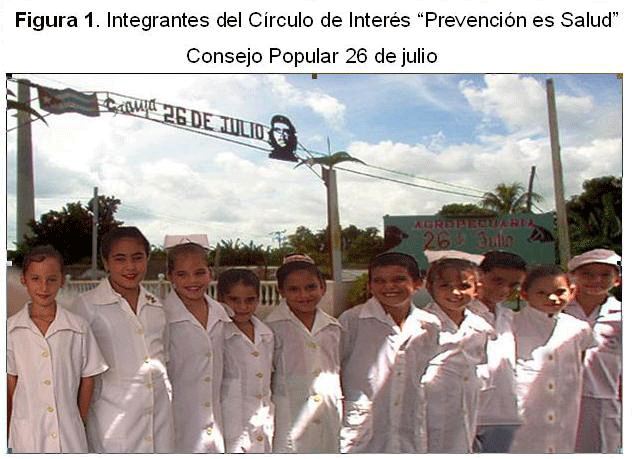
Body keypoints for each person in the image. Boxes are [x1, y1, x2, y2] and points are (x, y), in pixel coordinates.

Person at [70, 227, 174, 452]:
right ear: (106, 262)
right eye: (120, 259)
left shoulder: (156, 306)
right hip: (112, 425)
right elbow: (74, 371)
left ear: (147, 259)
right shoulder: (86, 307)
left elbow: (163, 360)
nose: (130, 267)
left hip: (159, 422)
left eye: (137, 258)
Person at [7, 246, 108, 453]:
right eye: (36, 279)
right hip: (27, 436)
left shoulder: (78, 328)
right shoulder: (10, 330)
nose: (44, 287)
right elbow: (11, 383)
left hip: (69, 436)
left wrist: (77, 421)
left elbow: (88, 378)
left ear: (62, 280)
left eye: (51, 279)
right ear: (24, 280)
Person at [339, 252, 440, 452]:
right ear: (370, 286)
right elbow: (335, 368)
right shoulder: (352, 321)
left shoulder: (429, 324)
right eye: (379, 281)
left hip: (409, 424)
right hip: (361, 427)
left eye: (399, 279)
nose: (389, 286)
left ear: (417, 283)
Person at [509, 265, 594, 453]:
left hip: (563, 404)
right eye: (542, 293)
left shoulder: (578, 328)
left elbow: (579, 363)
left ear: (572, 292)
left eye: (560, 291)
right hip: (524, 404)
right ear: (524, 294)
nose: (553, 298)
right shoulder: (512, 323)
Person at [163, 235, 232, 452]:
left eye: (199, 273)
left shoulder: (222, 314)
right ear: (170, 276)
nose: (192, 281)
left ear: (210, 273)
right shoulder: (162, 316)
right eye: (182, 274)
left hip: (216, 422)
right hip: (177, 423)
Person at [265, 259, 342, 453]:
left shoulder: (334, 328)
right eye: (294, 289)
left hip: (328, 414)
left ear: (323, 287)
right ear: (281, 291)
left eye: (311, 287)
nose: (304, 295)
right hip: (289, 415)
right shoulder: (270, 329)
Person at [420, 252, 493, 453]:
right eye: (445, 286)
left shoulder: (480, 327)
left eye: (464, 286)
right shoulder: (421, 325)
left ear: (477, 289)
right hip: (429, 408)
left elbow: (481, 366)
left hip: (467, 405)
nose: (455, 292)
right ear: (430, 287)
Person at [564, 249, 622, 453]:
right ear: (572, 277)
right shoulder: (558, 310)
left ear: (617, 280)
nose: (596, 280)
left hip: (604, 399)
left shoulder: (622, 316)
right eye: (587, 274)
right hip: (556, 397)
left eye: (605, 275)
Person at [217, 269, 277, 453]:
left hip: (262, 421)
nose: (242, 307)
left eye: (250, 300)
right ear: (220, 299)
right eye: (234, 300)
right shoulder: (218, 335)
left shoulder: (266, 335)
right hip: (231, 425)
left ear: (258, 299)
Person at [473, 251, 527, 452]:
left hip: (505, 413)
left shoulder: (510, 317)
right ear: (479, 276)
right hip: (466, 412)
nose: (505, 289)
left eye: (513, 285)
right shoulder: (458, 315)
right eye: (498, 281)